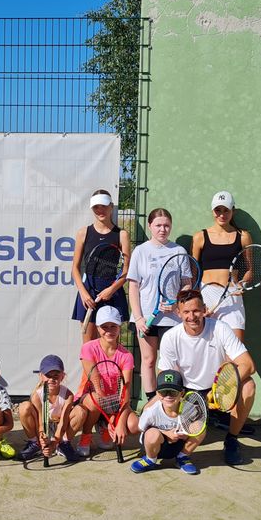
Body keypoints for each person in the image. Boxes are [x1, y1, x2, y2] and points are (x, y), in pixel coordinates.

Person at [157, 290, 257, 465]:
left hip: (219, 390)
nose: (192, 316)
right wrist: (174, 401)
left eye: (196, 310)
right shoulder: (170, 337)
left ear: (204, 309)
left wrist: (218, 389)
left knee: (248, 386)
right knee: (166, 449)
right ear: (178, 313)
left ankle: (232, 439)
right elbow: (164, 376)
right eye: (186, 312)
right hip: (187, 393)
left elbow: (248, 365)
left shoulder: (220, 328)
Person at [126, 207, 187, 401]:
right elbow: (133, 287)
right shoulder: (140, 251)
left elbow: (186, 284)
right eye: (158, 225)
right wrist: (139, 318)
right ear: (150, 226)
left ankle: (171, 400)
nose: (163, 229)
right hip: (145, 319)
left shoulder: (179, 251)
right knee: (149, 360)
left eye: (166, 225)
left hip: (173, 319)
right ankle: (152, 401)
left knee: (172, 362)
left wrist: (177, 305)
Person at [192, 191, 255, 344]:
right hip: (206, 294)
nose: (222, 214)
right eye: (218, 210)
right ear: (212, 211)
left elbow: (250, 270)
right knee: (207, 346)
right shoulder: (199, 237)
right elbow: (193, 273)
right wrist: (197, 299)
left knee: (235, 347)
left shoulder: (243, 236)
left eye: (226, 210)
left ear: (233, 210)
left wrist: (243, 284)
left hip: (232, 295)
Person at [71, 189, 130, 343]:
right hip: (89, 292)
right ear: (92, 209)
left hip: (112, 292)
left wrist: (111, 289)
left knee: (111, 345)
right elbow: (75, 269)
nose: (100, 210)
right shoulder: (83, 233)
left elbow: (126, 271)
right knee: (89, 345)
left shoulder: (122, 234)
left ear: (111, 207)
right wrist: (84, 293)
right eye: (96, 207)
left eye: (104, 206)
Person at [77, 305, 136, 457]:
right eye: (104, 327)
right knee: (95, 398)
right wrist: (109, 415)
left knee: (134, 426)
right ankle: (86, 435)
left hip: (115, 402)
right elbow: (96, 383)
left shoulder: (126, 356)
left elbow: (126, 390)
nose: (109, 331)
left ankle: (103, 425)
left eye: (113, 326)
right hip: (93, 398)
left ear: (119, 327)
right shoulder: (88, 348)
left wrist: (120, 422)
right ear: (97, 327)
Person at [131, 369, 205, 475]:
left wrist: (188, 433)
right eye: (163, 392)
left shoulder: (189, 408)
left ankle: (182, 457)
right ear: (157, 393)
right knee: (152, 434)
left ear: (182, 393)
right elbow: (141, 428)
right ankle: (150, 459)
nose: (168, 396)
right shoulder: (151, 411)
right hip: (157, 447)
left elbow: (198, 423)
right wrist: (166, 433)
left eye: (173, 392)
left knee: (200, 426)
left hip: (178, 445)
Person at [17, 354, 82, 463]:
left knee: (80, 411)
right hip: (42, 426)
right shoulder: (36, 395)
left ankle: (63, 444)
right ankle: (35, 443)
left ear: (62, 376)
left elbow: (63, 423)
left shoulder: (68, 395)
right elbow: (41, 423)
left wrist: (54, 443)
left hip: (60, 427)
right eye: (48, 375)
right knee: (24, 407)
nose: (52, 379)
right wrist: (43, 438)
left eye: (56, 375)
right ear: (41, 376)